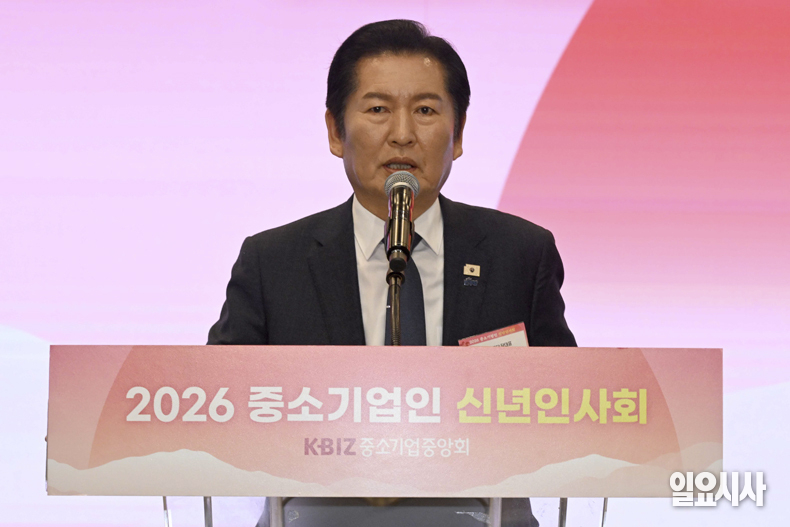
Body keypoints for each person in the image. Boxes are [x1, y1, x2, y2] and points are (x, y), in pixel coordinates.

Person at [209, 19, 575, 527]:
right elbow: (216, 413)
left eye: (425, 110)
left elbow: (571, 409)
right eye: (378, 109)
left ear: (458, 134)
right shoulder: (273, 262)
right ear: (335, 131)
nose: (402, 133)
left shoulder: (521, 253)